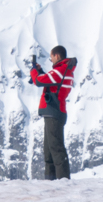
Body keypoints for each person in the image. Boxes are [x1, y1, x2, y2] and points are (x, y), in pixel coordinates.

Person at [29, 46, 77, 180]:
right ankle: (50, 183)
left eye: (51, 56)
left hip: (54, 112)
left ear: (56, 56)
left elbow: (39, 81)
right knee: (49, 151)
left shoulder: (60, 70)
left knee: (56, 149)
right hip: (54, 112)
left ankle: (63, 181)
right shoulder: (63, 71)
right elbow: (51, 82)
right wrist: (40, 71)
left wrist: (34, 71)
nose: (50, 59)